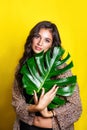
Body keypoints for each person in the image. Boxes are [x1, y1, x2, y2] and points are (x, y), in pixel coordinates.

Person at [12, 21, 82, 130]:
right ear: (32, 38)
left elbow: (76, 108)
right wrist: (36, 107)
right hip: (25, 127)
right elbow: (17, 103)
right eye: (37, 37)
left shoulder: (60, 68)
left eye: (47, 40)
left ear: (52, 45)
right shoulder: (22, 66)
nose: (40, 43)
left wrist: (50, 114)